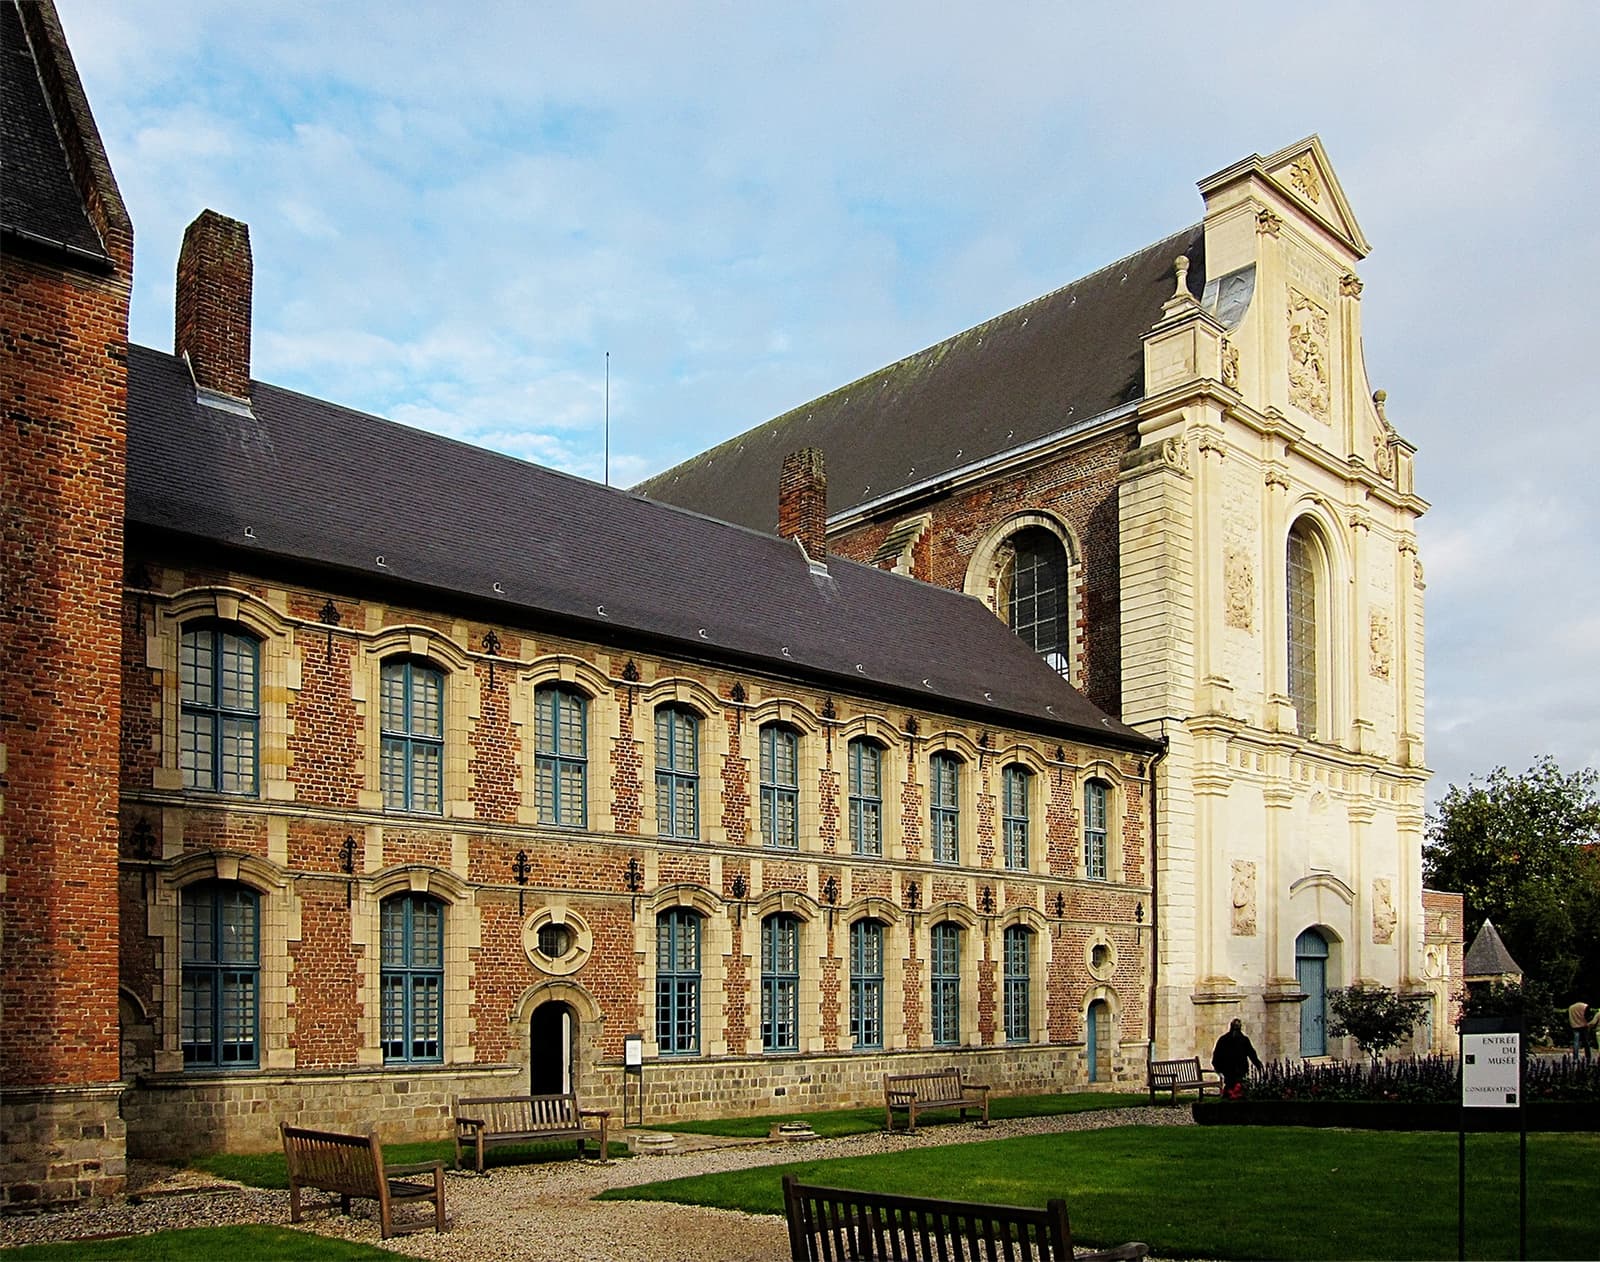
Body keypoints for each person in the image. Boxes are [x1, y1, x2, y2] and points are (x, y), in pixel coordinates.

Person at [1211, 1018, 1264, 1098]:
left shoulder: (1242, 1040)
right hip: (1229, 1069)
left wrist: (1257, 1063)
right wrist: (1218, 1067)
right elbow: (1217, 1055)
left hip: (1239, 1069)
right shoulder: (1225, 1039)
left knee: (1237, 1088)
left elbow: (1251, 1053)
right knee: (1231, 1087)